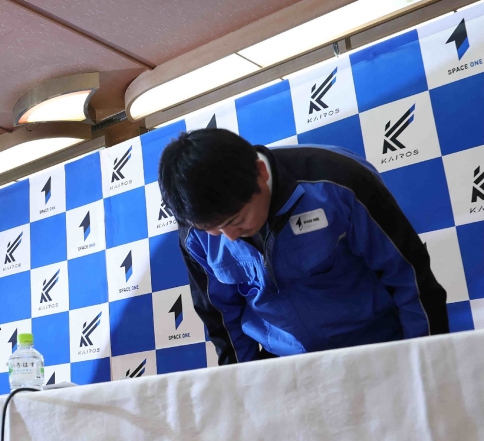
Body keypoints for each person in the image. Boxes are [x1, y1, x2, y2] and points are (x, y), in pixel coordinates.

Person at [158, 128, 448, 364]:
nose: (229, 237)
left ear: (260, 173)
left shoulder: (338, 182)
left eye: (238, 219)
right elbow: (221, 318)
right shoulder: (193, 230)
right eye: (213, 230)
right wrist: (243, 386)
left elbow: (409, 277)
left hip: (380, 349)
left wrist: (426, 361)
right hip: (287, 368)